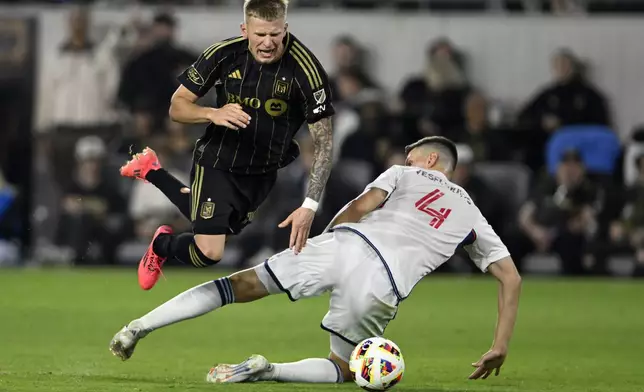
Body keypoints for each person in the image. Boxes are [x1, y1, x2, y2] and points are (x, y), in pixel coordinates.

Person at [109, 136, 522, 384]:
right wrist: (499, 345)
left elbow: (362, 205)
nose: (409, 159)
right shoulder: (471, 213)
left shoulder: (404, 173)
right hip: (384, 284)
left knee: (236, 286)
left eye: (414, 156)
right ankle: (267, 370)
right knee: (343, 369)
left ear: (430, 161)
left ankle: (136, 328)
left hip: (343, 245)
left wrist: (324, 241)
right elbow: (510, 278)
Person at [119, 0, 335, 290]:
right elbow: (177, 107)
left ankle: (152, 171)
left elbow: (324, 143)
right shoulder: (223, 54)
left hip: (263, 170)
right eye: (260, 35)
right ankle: (162, 246)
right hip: (218, 158)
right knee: (210, 251)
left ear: (285, 29)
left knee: (219, 226)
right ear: (245, 30)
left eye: (274, 34)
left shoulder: (306, 71)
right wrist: (212, 113)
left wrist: (309, 205)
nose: (268, 43)